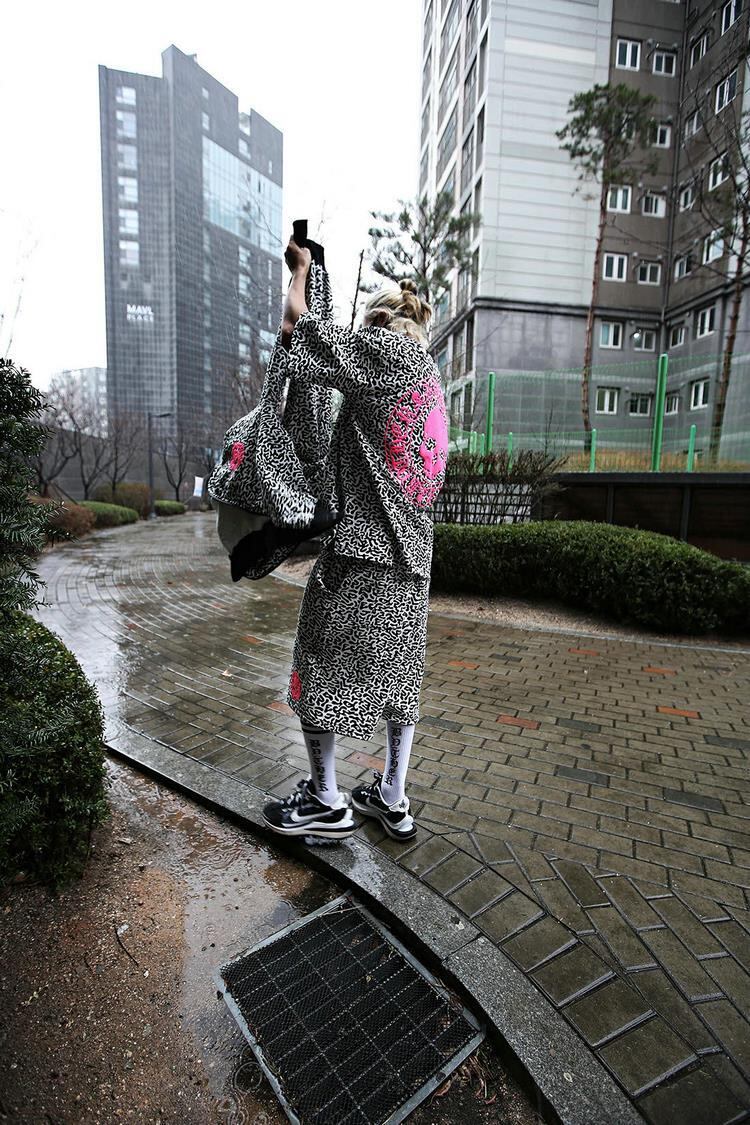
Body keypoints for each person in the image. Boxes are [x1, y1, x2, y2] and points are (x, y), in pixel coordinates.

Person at [262, 235, 448, 843]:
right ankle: (392, 797)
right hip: (411, 566)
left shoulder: (384, 352)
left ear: (378, 325)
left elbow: (300, 330)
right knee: (399, 679)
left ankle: (325, 800)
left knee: (316, 665)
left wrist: (302, 271)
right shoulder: (429, 381)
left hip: (361, 557)